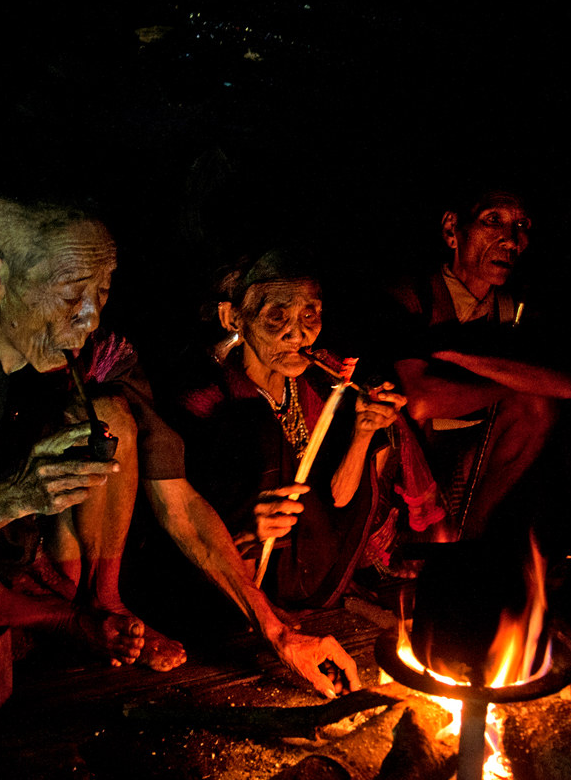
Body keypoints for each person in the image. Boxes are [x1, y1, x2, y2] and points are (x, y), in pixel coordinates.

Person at [0, 192, 360, 698]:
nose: (90, 317)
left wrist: (278, 632)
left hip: (47, 567)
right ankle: (65, 621)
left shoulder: (101, 358)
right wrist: (14, 497)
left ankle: (106, 603)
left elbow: (179, 504)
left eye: (102, 291)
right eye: (70, 294)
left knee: (109, 416)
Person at [164, 249, 450, 611]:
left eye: (310, 315)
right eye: (277, 316)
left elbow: (339, 500)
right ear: (232, 317)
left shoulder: (318, 384)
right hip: (226, 583)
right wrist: (248, 529)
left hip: (306, 577)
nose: (298, 334)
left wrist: (363, 432)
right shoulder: (207, 401)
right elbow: (183, 519)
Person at [377, 183, 571, 542]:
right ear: (452, 230)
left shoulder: (513, 309)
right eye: (493, 220)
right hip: (404, 466)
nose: (511, 241)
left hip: (475, 461)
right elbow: (421, 402)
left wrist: (465, 360)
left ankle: (470, 535)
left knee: (537, 408)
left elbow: (564, 386)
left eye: (522, 225)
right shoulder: (412, 297)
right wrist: (513, 381)